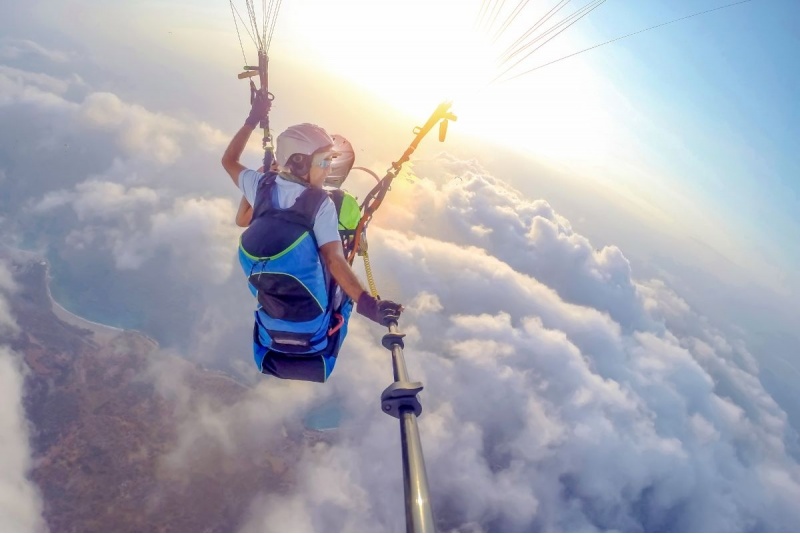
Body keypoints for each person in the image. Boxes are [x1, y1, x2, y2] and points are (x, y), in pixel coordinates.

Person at [221, 93, 403, 382]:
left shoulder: (259, 184)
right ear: (300, 162)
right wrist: (370, 306)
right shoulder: (321, 204)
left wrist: (251, 121)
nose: (328, 168)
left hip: (273, 324)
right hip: (313, 324)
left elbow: (229, 160)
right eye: (324, 162)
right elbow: (335, 261)